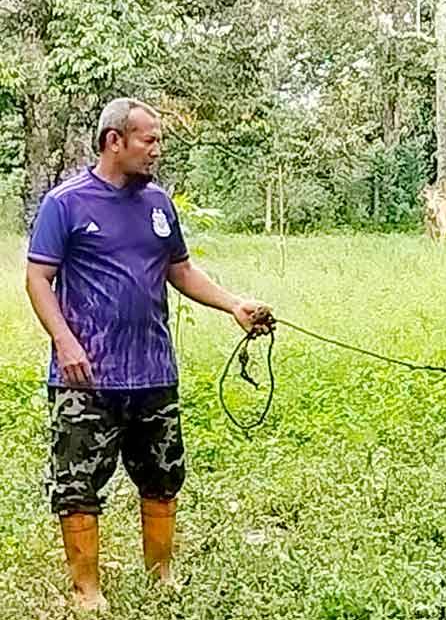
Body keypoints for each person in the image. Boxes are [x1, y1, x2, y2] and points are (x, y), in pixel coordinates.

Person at [24, 97, 270, 611]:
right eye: (148, 140)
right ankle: (85, 589)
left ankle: (161, 578)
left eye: (157, 140)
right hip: (84, 376)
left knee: (161, 477)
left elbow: (180, 270)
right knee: (77, 484)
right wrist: (64, 341)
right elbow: (38, 278)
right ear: (114, 141)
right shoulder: (66, 203)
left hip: (153, 370)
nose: (157, 150)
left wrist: (234, 305)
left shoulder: (158, 204)